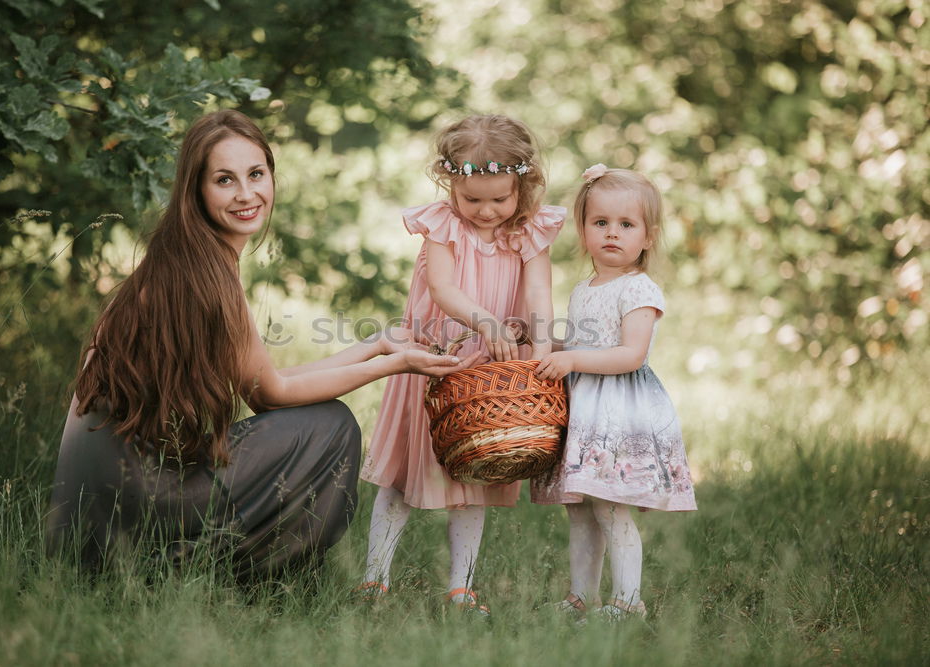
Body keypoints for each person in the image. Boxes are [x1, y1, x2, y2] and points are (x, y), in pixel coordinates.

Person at [46, 110, 478, 582]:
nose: (247, 194)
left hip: (105, 507)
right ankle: (218, 574)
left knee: (320, 420)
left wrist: (377, 346)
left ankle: (187, 568)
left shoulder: (188, 257)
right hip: (137, 497)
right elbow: (270, 396)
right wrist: (396, 366)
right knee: (330, 427)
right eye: (224, 180)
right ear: (196, 189)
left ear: (272, 174)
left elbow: (266, 381)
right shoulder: (202, 274)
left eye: (256, 174)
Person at [357, 115, 566, 614]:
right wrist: (487, 323)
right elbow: (444, 290)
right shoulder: (443, 225)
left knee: (477, 473)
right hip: (437, 361)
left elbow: (538, 293)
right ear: (450, 182)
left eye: (500, 198)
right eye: (472, 199)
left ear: (523, 183)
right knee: (405, 474)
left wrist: (540, 351)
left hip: (497, 372)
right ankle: (374, 578)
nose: (487, 211)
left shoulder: (531, 229)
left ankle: (461, 586)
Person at [531, 164, 697, 620]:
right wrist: (550, 348)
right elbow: (588, 346)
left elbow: (630, 355)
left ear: (648, 236)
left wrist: (570, 360)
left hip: (619, 411)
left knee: (611, 509)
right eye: (600, 222)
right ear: (583, 229)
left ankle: (628, 601)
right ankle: (581, 596)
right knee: (582, 512)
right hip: (586, 408)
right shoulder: (585, 288)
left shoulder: (639, 288)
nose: (612, 233)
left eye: (626, 225)